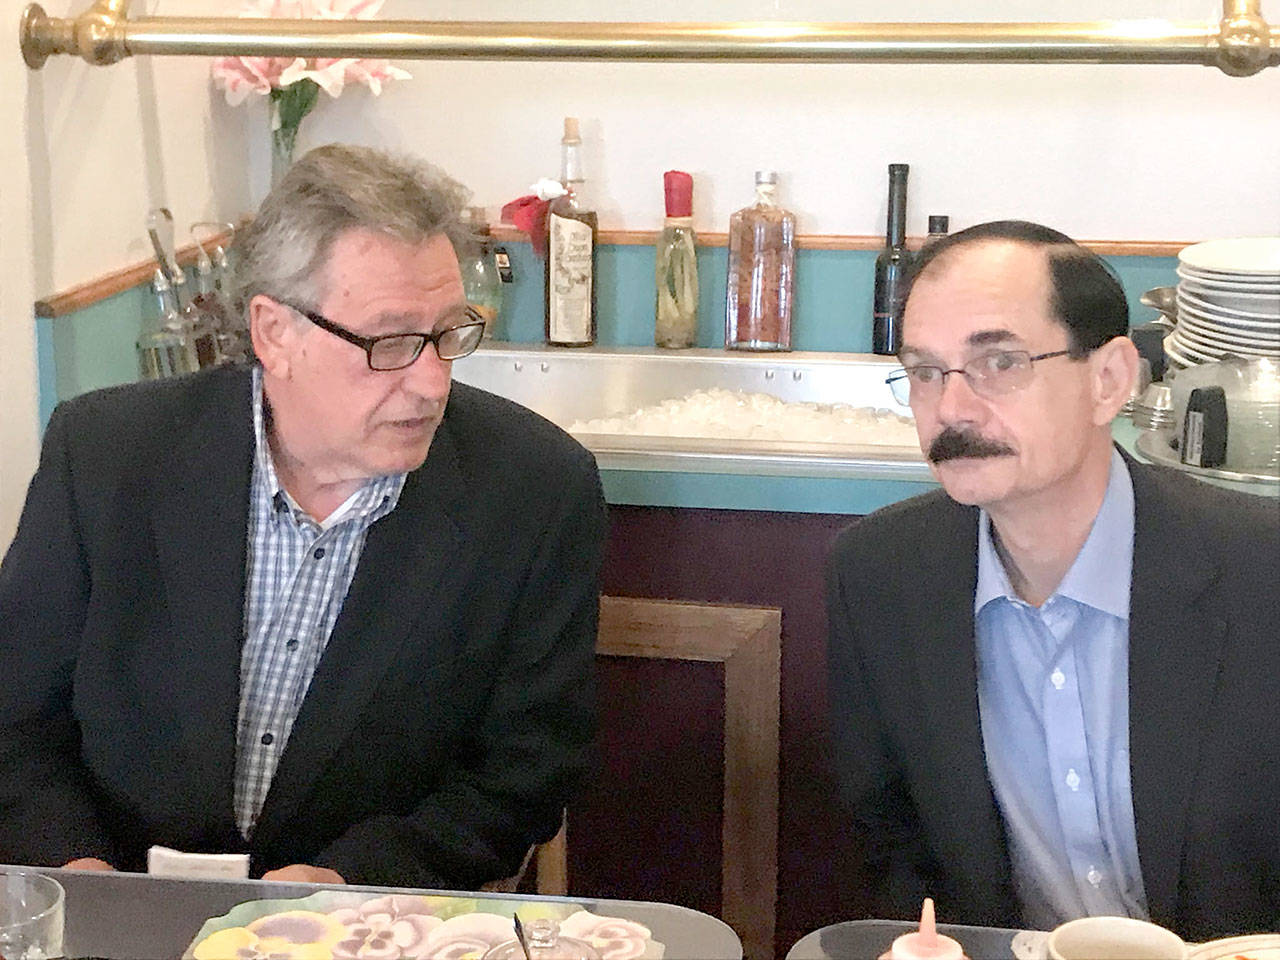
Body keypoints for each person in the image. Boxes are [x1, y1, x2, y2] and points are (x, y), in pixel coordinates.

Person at [0, 144, 607, 889]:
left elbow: (526, 772)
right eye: (391, 342)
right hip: (117, 903)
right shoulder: (105, 456)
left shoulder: (535, 491)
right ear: (274, 334)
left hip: (368, 923)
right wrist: (82, 878)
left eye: (450, 333)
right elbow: (15, 721)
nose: (431, 381)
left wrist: (346, 883)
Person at [826, 221, 1279, 941]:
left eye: (999, 362)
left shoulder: (1262, 574)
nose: (952, 409)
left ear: (1109, 380)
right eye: (924, 372)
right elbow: (893, 844)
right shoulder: (880, 574)